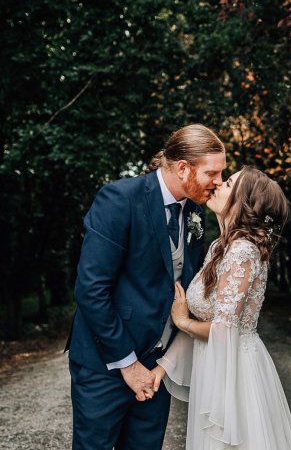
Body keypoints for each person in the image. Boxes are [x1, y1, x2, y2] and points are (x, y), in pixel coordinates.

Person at [65, 124, 226, 450]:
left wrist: (162, 364)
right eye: (212, 172)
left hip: (157, 366)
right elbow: (91, 289)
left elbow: (184, 284)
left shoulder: (195, 212)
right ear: (183, 168)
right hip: (105, 363)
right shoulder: (120, 199)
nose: (219, 182)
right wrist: (127, 363)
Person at [152, 166, 291, 449]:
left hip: (236, 370)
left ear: (244, 201)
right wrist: (160, 371)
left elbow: (222, 329)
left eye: (229, 183)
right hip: (215, 364)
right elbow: (205, 321)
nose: (218, 185)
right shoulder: (220, 247)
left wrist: (182, 321)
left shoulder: (242, 250)